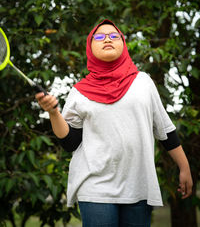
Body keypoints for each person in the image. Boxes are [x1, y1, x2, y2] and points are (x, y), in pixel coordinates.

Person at [35, 19, 193, 227]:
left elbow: (164, 130)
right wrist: (54, 113)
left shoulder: (143, 82)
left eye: (114, 36)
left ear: (123, 44)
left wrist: (184, 167)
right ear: (90, 47)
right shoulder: (79, 92)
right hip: (95, 188)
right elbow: (70, 143)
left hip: (139, 186)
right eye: (99, 37)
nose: (107, 39)